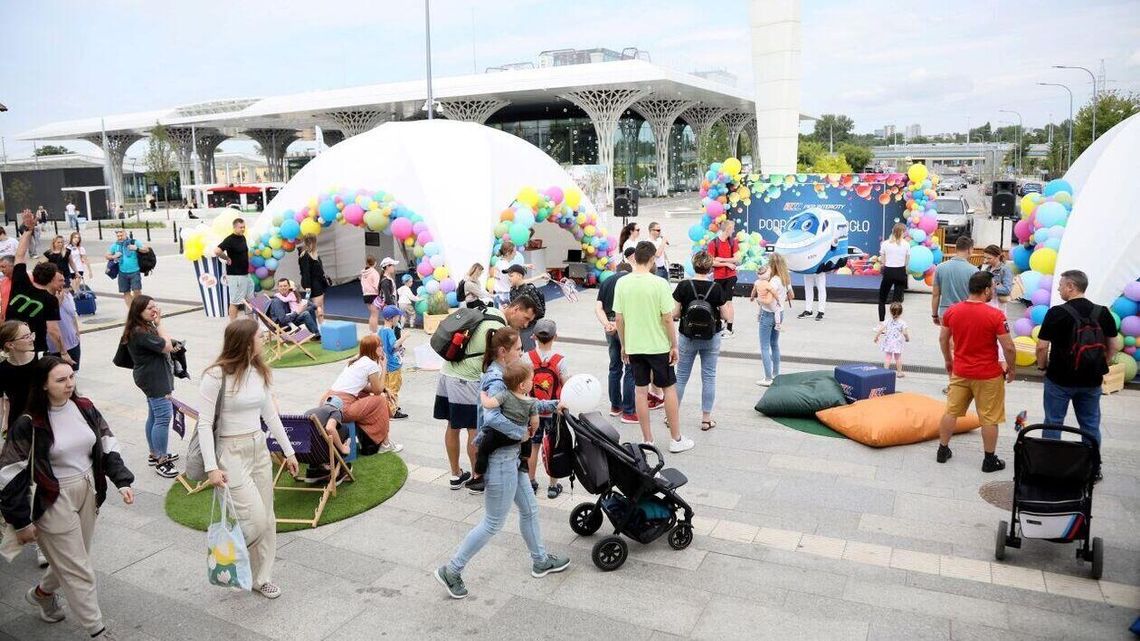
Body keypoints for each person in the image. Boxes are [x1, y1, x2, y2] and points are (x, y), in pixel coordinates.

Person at [0, 356, 134, 640]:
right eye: (61, 380)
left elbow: (107, 443)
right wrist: (21, 521)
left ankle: (41, 594)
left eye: (71, 376)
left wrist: (122, 480)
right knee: (79, 568)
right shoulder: (28, 423)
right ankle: (97, 631)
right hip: (51, 497)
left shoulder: (84, 407)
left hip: (88, 489)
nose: (69, 383)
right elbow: (9, 474)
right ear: (43, 385)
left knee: (75, 559)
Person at [435, 332, 569, 601]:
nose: (522, 352)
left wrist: (555, 405)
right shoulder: (498, 379)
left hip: (511, 459)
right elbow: (492, 418)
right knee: (493, 522)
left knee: (529, 509)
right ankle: (452, 570)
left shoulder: (502, 374)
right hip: (501, 460)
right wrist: (521, 433)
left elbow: (526, 403)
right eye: (518, 348)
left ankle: (540, 560)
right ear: (503, 351)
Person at [197, 319, 299, 599]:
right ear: (245, 342)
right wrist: (211, 467)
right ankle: (230, 558)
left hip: (259, 448)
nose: (264, 339)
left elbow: (271, 416)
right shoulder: (215, 376)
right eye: (260, 336)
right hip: (230, 452)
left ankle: (261, 577)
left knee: (268, 517)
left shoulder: (259, 371)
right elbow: (204, 424)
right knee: (255, 519)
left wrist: (289, 451)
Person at [435, 297, 538, 494]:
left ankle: (456, 475)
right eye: (526, 318)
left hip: (447, 372)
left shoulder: (489, 312)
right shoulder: (498, 327)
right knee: (475, 429)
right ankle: (478, 478)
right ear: (516, 309)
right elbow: (504, 361)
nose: (525, 325)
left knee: (452, 425)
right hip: (466, 379)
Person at [613, 241, 695, 453]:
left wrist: (624, 345)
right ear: (651, 259)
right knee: (669, 389)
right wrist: (674, 345)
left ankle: (647, 440)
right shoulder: (659, 283)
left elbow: (619, 319)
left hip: (634, 345)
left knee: (640, 392)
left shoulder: (622, 283)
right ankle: (676, 439)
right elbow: (668, 318)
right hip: (658, 345)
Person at [937, 271, 1015, 473]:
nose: (994, 291)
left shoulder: (952, 311)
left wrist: (948, 360)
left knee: (951, 411)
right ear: (986, 290)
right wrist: (1012, 368)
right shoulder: (996, 315)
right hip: (988, 374)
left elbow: (943, 339)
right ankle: (989, 460)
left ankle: (942, 450)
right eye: (993, 287)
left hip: (961, 371)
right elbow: (1008, 347)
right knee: (990, 418)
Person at [1035, 269, 1117, 449]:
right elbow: (1113, 345)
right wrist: (1102, 364)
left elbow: (1041, 346)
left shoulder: (1056, 313)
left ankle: (1050, 462)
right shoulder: (1102, 312)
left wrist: (1042, 367)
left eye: (1061, 285)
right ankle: (1091, 462)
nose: (1058, 289)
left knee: (1053, 422)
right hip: (1092, 380)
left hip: (1059, 379)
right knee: (1090, 424)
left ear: (1071, 286)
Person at [672, 250, 729, 432]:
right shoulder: (716, 288)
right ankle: (706, 419)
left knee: (681, 377)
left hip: (687, 336)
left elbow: (675, 313)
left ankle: (671, 416)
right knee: (709, 376)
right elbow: (726, 315)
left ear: (693, 265)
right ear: (710, 268)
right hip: (711, 337)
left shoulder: (683, 285)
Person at [122, 295, 179, 478]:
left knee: (154, 415)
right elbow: (166, 346)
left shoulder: (140, 327)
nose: (154, 310)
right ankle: (161, 460)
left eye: (155, 306)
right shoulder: (140, 331)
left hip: (150, 376)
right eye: (149, 308)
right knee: (163, 417)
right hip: (154, 379)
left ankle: (155, 453)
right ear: (138, 311)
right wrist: (160, 324)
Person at [324, 335, 401, 454]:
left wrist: (385, 389)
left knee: (365, 395)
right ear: (372, 348)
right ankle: (385, 443)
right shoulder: (371, 364)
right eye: (379, 346)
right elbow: (377, 391)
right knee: (380, 400)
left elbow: (362, 386)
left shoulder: (356, 361)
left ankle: (380, 439)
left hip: (330, 402)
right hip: (343, 407)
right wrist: (384, 365)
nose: (382, 348)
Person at [6, 220, 69, 364]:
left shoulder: (21, 281)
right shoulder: (51, 300)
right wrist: (64, 352)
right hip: (35, 349)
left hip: (9, 344)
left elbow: (19, 255)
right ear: (51, 280)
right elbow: (53, 330)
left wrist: (28, 231)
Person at [524, 318, 569, 497]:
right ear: (555, 337)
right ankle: (552, 486)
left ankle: (531, 482)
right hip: (554, 411)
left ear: (533, 337)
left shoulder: (527, 358)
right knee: (553, 447)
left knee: (533, 447)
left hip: (533, 410)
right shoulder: (560, 360)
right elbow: (566, 385)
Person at [596, 262, 637, 424]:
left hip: (610, 327)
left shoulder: (606, 282)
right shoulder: (631, 281)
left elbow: (598, 308)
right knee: (630, 368)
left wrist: (607, 324)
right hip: (627, 326)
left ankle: (615, 406)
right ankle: (629, 411)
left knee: (614, 367)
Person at [751, 254, 790, 386]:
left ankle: (768, 378)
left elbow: (767, 301)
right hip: (780, 313)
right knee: (774, 344)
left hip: (768, 314)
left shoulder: (772, 282)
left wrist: (758, 299)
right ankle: (776, 373)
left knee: (764, 347)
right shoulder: (785, 278)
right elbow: (791, 295)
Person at [299, 395, 352, 484]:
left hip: (302, 454)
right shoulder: (335, 411)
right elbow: (330, 428)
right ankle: (337, 472)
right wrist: (342, 448)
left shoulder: (309, 412)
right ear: (340, 408)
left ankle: (313, 471)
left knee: (314, 436)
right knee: (344, 429)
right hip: (322, 453)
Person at [0, 320, 38, 435]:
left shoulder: (42, 360)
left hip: (43, 420)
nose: (31, 339)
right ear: (10, 345)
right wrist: (5, 423)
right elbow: (5, 399)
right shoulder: (2, 370)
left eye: (31, 334)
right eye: (26, 337)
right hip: (18, 424)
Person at [932, 236, 977, 325]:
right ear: (970, 249)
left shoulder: (940, 268)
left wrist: (934, 314)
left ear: (956, 248)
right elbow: (976, 297)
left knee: (945, 334)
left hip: (945, 312)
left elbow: (935, 294)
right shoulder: (974, 271)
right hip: (964, 313)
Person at [214, 218, 252, 321]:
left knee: (250, 300)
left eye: (244, 227)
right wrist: (227, 258)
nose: (243, 229)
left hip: (245, 274)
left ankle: (252, 323)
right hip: (235, 275)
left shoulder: (242, 237)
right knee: (235, 301)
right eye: (240, 227)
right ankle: (233, 325)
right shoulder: (229, 239)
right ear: (234, 227)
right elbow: (217, 251)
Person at [708, 219, 739, 337]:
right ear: (728, 229)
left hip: (731, 276)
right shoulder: (713, 243)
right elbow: (712, 262)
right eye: (732, 228)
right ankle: (719, 325)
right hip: (718, 276)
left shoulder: (733, 242)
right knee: (719, 303)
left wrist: (721, 259)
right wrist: (727, 264)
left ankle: (729, 328)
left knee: (728, 302)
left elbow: (737, 259)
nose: (734, 230)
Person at [106, 229, 151, 310]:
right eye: (118, 236)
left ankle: (138, 307)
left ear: (125, 234)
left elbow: (146, 249)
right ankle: (132, 310)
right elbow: (107, 256)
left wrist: (136, 248)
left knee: (137, 291)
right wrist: (114, 256)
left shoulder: (134, 242)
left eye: (121, 235)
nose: (120, 237)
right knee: (126, 292)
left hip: (134, 271)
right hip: (122, 272)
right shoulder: (115, 245)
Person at [506, 264, 546, 350]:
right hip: (517, 328)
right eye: (508, 276)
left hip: (527, 329)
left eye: (511, 276)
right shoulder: (512, 290)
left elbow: (540, 311)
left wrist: (526, 319)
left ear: (519, 276)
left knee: (529, 353)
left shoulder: (529, 289)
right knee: (518, 352)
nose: (509, 278)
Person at [379, 305, 409, 420]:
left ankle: (388, 406)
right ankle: (392, 411)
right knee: (394, 387)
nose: (398, 319)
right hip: (393, 365)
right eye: (397, 317)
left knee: (387, 386)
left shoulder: (381, 331)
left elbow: (385, 347)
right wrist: (404, 337)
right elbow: (394, 345)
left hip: (386, 365)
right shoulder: (390, 332)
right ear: (391, 318)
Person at [877, 223, 910, 323]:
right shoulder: (906, 244)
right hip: (900, 272)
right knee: (897, 301)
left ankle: (882, 323)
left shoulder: (885, 243)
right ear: (902, 232)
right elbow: (907, 261)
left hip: (889, 271)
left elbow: (883, 261)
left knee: (882, 299)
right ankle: (895, 322)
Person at [46, 289, 81, 371]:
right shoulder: (44, 298)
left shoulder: (66, 295)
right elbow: (50, 326)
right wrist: (63, 352)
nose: (64, 283)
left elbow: (73, 316)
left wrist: (77, 336)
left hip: (73, 344)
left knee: (73, 373)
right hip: (56, 348)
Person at [298, 234, 329, 322]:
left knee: (319, 306)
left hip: (318, 283)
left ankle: (320, 325)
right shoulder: (305, 255)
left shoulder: (314, 254)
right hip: (313, 284)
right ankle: (320, 325)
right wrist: (308, 288)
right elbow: (305, 273)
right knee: (318, 307)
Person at [874, 301, 910, 377]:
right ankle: (899, 372)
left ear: (890, 312)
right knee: (898, 357)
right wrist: (907, 338)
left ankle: (885, 372)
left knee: (888, 357)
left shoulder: (887, 321)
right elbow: (905, 333)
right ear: (901, 312)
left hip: (888, 341)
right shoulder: (902, 323)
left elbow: (880, 329)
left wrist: (876, 337)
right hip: (897, 343)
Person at [491, 241, 528, 306]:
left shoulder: (499, 262)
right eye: (514, 252)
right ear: (508, 253)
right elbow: (519, 282)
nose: (515, 254)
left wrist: (524, 265)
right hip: (504, 297)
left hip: (497, 295)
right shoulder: (506, 266)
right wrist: (539, 277)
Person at [980, 245, 1013, 313]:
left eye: (989, 258)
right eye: (985, 257)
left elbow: (1007, 290)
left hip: (998, 306)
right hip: (987, 304)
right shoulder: (987, 269)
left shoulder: (1005, 270)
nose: (986, 260)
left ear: (997, 257)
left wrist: (990, 288)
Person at [360, 256, 381, 333]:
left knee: (372, 314)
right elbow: (377, 285)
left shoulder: (363, 273)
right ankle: (374, 332)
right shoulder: (374, 273)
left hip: (366, 294)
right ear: (375, 263)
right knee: (375, 315)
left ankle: (371, 331)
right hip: (373, 294)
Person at [0, 254, 14, 322]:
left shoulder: (27, 279)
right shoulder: (3, 282)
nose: (1, 270)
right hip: (7, 320)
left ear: (13, 266)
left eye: (3, 267)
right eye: (0, 267)